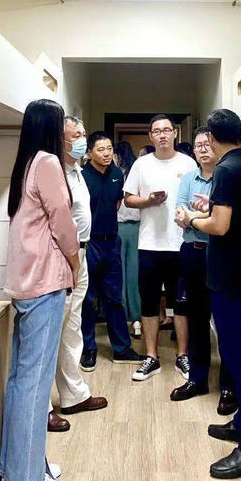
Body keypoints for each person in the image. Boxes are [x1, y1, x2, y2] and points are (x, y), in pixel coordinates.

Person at [176, 109, 241, 479]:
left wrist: (192, 218)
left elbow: (221, 226)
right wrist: (208, 207)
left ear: (212, 138)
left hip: (230, 277)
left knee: (240, 360)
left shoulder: (226, 170)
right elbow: (237, 214)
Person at [0, 99, 79, 481]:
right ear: (52, 127)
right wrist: (75, 263)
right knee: (34, 386)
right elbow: (63, 222)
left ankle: (18, 467)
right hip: (44, 282)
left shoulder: (26, 162)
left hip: (25, 283)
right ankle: (26, 475)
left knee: (21, 381)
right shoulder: (47, 162)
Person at [124, 115, 196, 381]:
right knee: (149, 302)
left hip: (181, 243)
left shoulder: (188, 163)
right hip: (149, 244)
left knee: (181, 303)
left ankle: (183, 355)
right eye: (157, 131)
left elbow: (196, 198)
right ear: (150, 136)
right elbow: (128, 199)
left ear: (175, 133)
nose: (162, 135)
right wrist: (149, 201)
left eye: (167, 130)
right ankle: (151, 357)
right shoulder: (141, 164)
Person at [171, 127, 237, 417]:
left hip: (220, 255)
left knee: (223, 321)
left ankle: (228, 387)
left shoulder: (226, 176)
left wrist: (195, 216)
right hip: (193, 253)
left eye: (206, 144)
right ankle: (197, 379)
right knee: (196, 319)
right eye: (197, 145)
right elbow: (179, 215)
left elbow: (220, 219)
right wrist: (202, 216)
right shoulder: (188, 178)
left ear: (215, 145)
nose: (202, 149)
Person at [48, 116, 107, 434]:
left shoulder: (77, 171)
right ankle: (43, 407)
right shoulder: (54, 171)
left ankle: (73, 395)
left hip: (81, 253)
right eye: (77, 135)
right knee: (53, 330)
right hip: (64, 257)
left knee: (71, 328)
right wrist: (71, 261)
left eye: (84, 133)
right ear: (62, 140)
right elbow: (58, 222)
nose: (83, 139)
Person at [80, 132, 143, 370]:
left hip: (112, 242)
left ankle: (121, 348)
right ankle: (88, 348)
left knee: (115, 298)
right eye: (101, 149)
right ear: (89, 153)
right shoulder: (82, 176)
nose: (107, 153)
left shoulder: (117, 173)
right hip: (90, 243)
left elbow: (117, 203)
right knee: (88, 299)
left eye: (109, 149)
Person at [114, 140, 142, 339]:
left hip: (119, 227)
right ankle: (137, 319)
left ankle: (122, 317)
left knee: (120, 275)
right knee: (135, 274)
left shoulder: (115, 175)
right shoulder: (137, 172)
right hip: (139, 228)